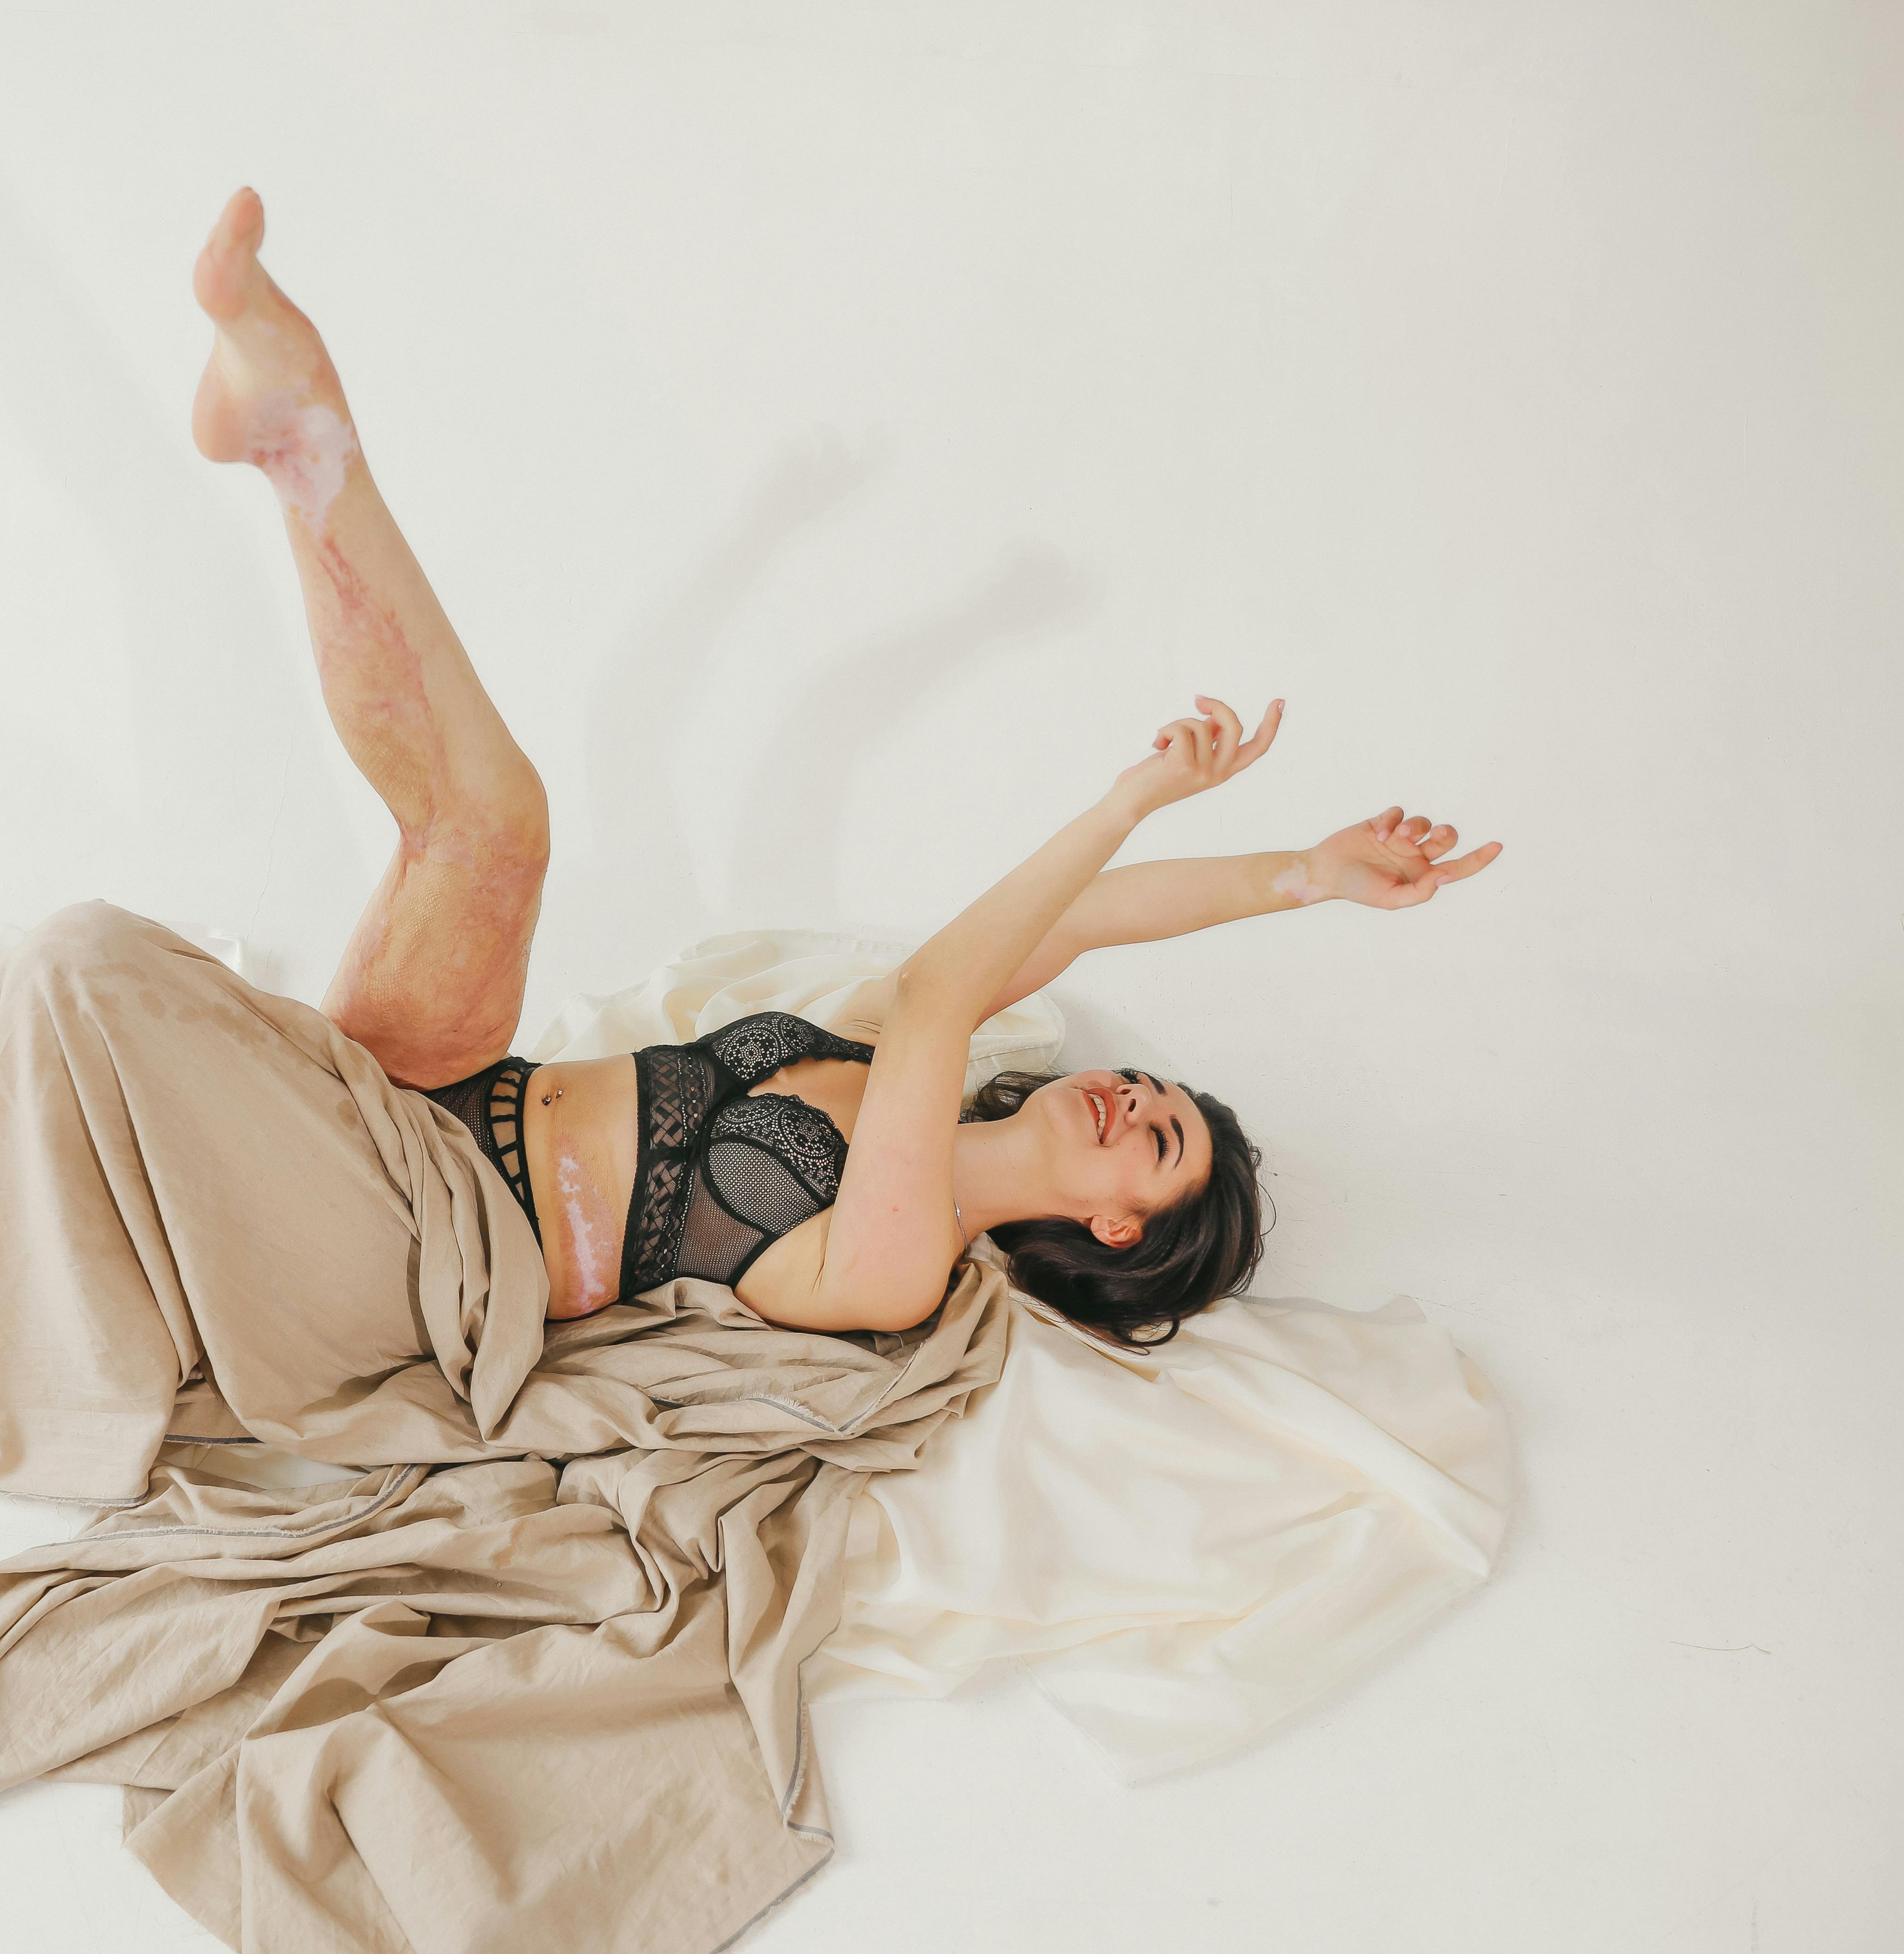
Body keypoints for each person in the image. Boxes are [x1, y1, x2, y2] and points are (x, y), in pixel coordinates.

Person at [190, 187, 1500, 1348]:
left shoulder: (901, 1264)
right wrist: (1305, 874)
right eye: (1146, 1089)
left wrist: (1132, 799)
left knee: (491, 823)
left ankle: (299, 438)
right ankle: (297, 442)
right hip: (431, 1098)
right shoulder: (877, 1053)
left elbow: (941, 996)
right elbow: (1086, 918)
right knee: (492, 826)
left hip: (410, 1252)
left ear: (1119, 1230)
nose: (1126, 1097)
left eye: (1156, 1140)